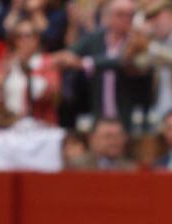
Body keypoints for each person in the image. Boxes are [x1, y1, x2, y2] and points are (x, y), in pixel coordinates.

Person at [54, 0, 152, 131]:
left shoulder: (139, 40)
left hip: (130, 114)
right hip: (99, 112)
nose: (126, 19)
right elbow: (67, 55)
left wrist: (86, 63)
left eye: (130, 15)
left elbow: (124, 62)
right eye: (121, 14)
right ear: (109, 16)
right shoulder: (96, 38)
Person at [0, 19, 61, 124]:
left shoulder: (48, 63)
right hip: (10, 125)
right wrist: (1, 81)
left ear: (37, 39)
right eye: (19, 36)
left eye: (28, 35)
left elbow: (53, 97)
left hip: (39, 125)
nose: (24, 41)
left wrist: (27, 71)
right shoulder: (6, 64)